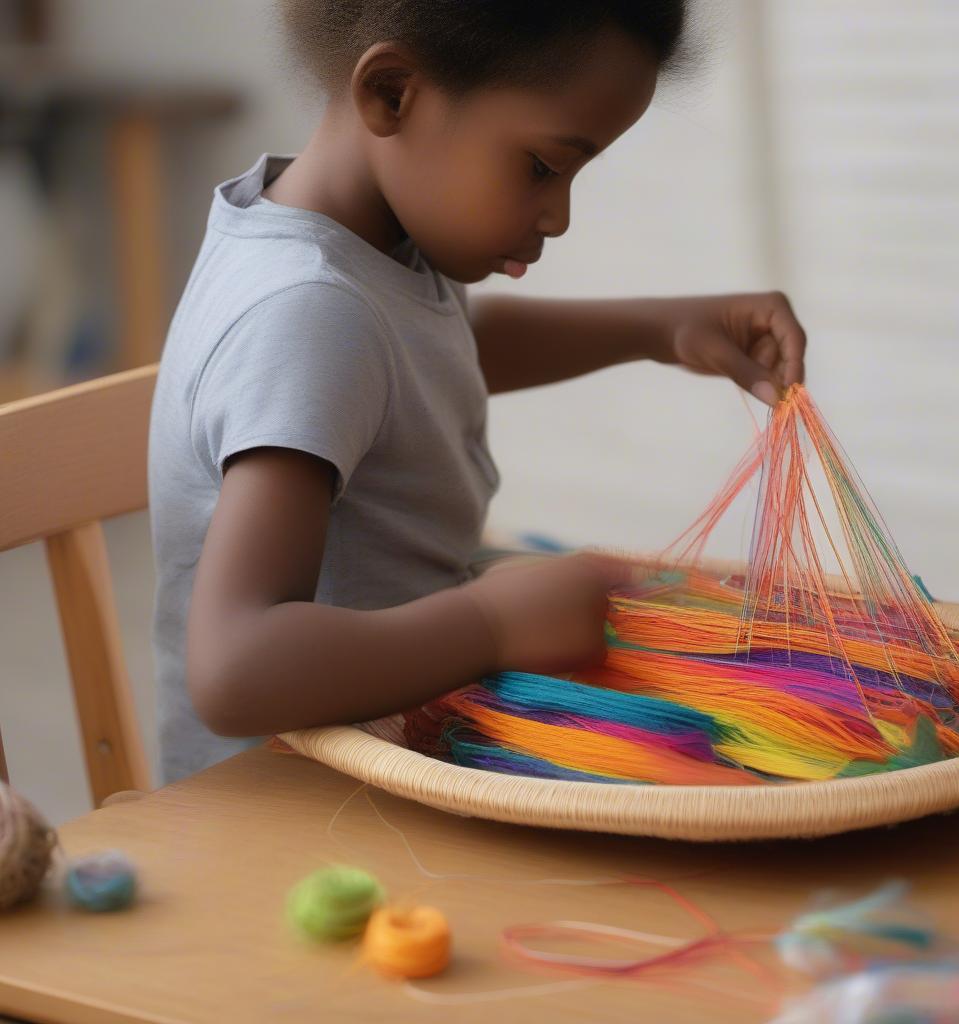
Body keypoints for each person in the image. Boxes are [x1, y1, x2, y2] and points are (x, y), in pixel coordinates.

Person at [148, 0, 807, 785]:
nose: (558, 216)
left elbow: (415, 354)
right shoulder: (309, 311)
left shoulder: (365, 244)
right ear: (393, 93)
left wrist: (659, 330)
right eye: (541, 166)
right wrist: (492, 626)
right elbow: (237, 671)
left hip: (383, 755)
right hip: (290, 800)